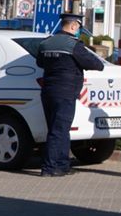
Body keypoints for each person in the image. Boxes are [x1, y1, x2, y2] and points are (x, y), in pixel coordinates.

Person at [35, 12, 104, 177]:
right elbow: (96, 64)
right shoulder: (73, 45)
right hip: (65, 92)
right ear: (74, 26)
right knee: (58, 130)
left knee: (59, 129)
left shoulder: (46, 43)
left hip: (48, 91)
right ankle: (49, 168)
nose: (79, 30)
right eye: (79, 27)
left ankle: (62, 165)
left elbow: (40, 62)